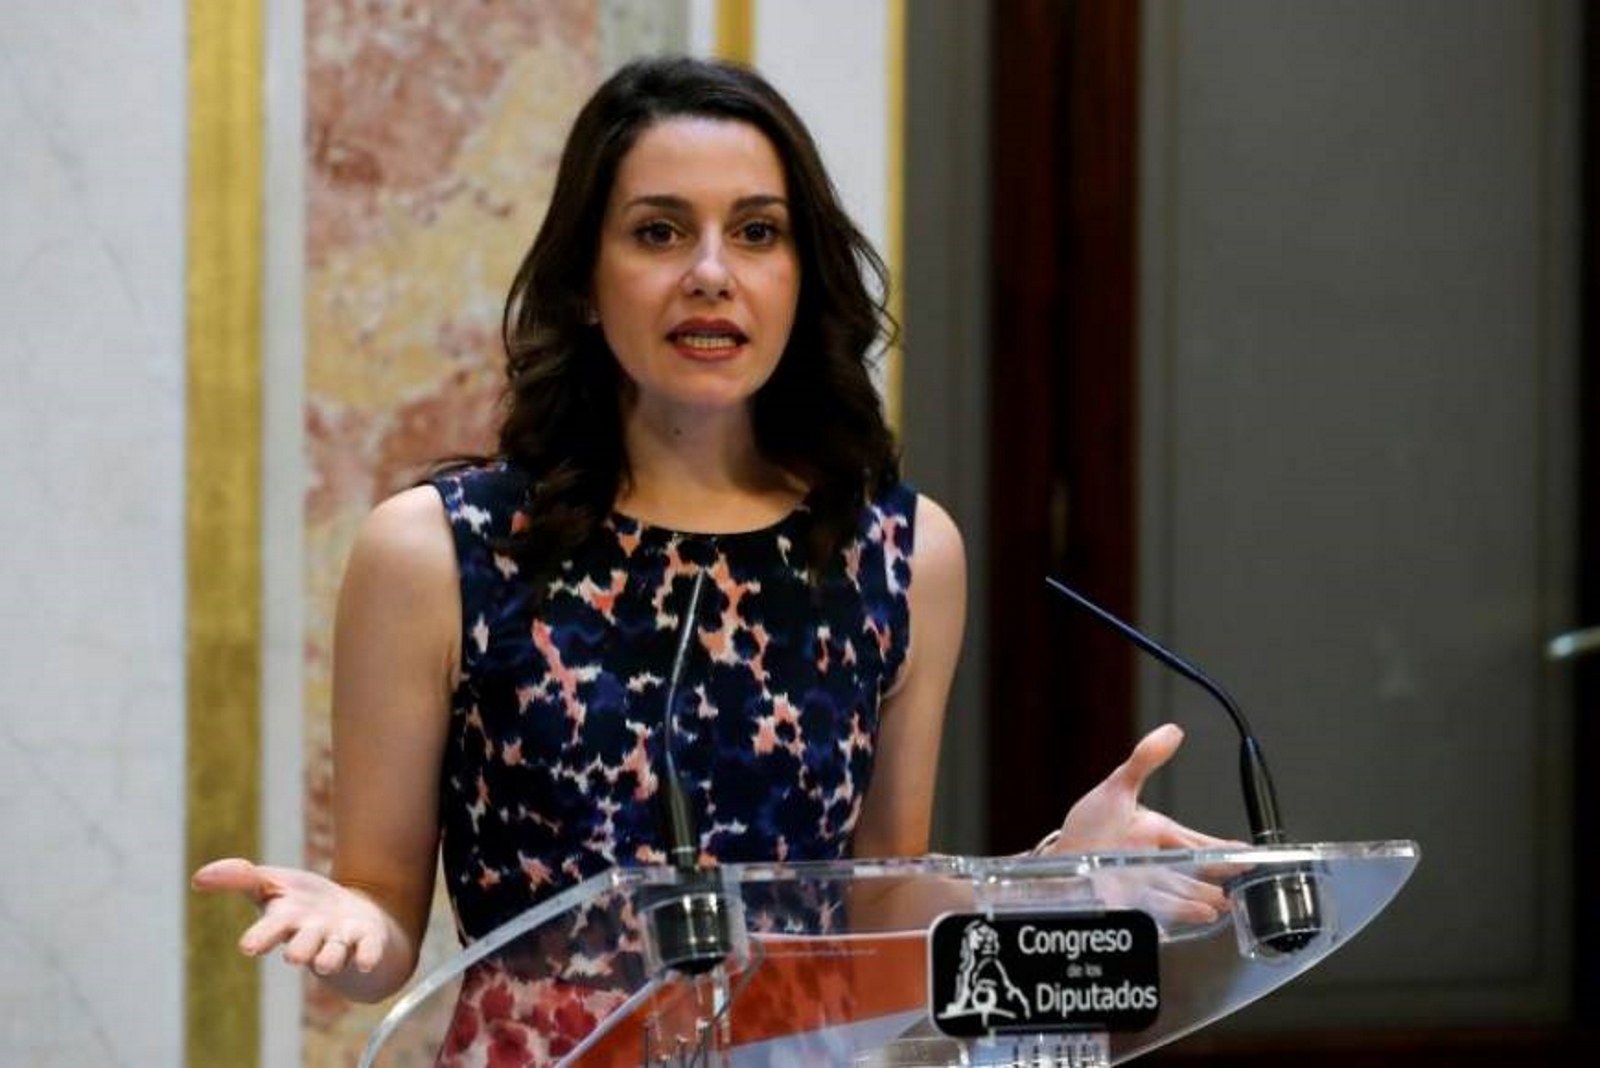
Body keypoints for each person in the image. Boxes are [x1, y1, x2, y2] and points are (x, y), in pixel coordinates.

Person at [193, 54, 1226, 1038]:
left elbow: (874, 903)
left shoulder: (896, 551)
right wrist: (350, 920)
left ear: (801, 275)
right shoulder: (439, 550)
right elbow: (381, 921)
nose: (710, 274)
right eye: (658, 232)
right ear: (584, 278)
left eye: (757, 232)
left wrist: (1052, 878)